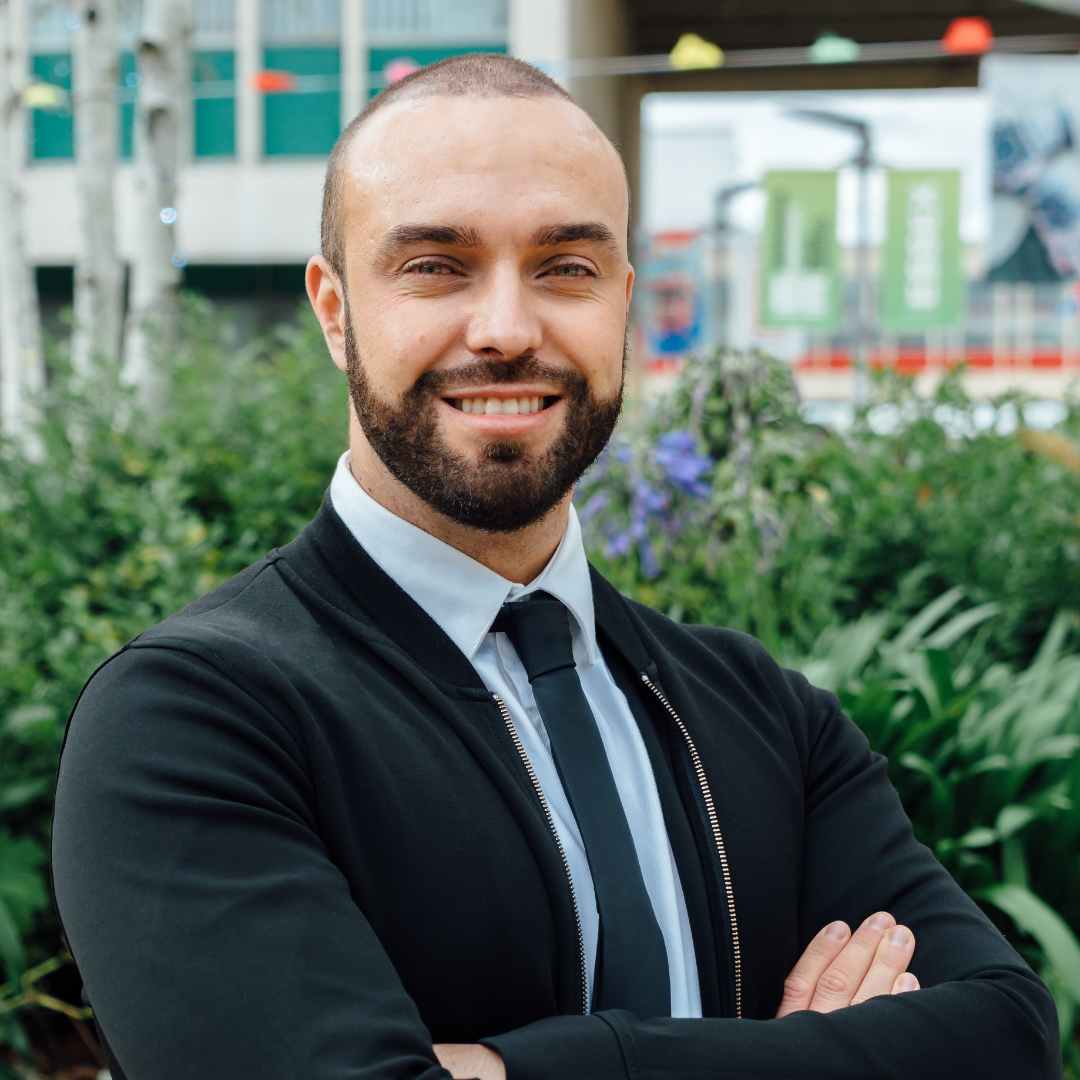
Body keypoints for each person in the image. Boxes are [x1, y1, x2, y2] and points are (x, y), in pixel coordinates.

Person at [51, 53, 1060, 1080]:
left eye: (565, 267)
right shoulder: (193, 717)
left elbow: (1004, 1038)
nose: (506, 330)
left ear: (622, 302)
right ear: (334, 309)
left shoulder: (759, 713)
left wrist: (521, 1070)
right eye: (435, 266)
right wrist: (803, 1060)